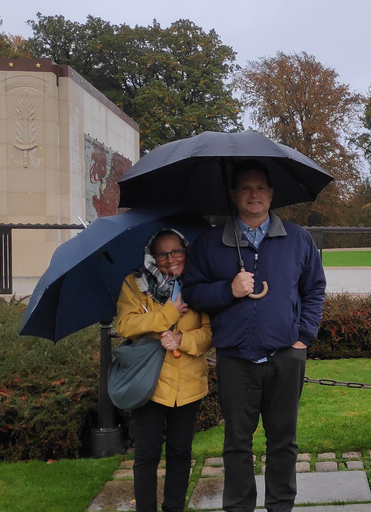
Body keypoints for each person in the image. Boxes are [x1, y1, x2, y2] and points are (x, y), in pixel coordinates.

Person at [182, 160, 326, 512]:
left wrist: (303, 337)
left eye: (260, 187)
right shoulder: (210, 242)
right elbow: (194, 293)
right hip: (235, 358)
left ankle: (280, 506)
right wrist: (229, 290)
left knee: (283, 442)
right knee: (236, 443)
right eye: (245, 187)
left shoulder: (298, 239)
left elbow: (314, 289)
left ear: (272, 193)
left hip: (285, 355)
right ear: (233, 194)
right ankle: (239, 506)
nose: (254, 194)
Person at [116, 229, 212, 512]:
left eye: (176, 252)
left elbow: (209, 333)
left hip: (188, 384)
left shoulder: (199, 285)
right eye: (162, 253)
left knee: (180, 453)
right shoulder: (134, 284)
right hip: (149, 384)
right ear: (152, 256)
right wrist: (168, 314)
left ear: (186, 252)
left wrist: (183, 339)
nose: (170, 259)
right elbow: (125, 325)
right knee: (146, 455)